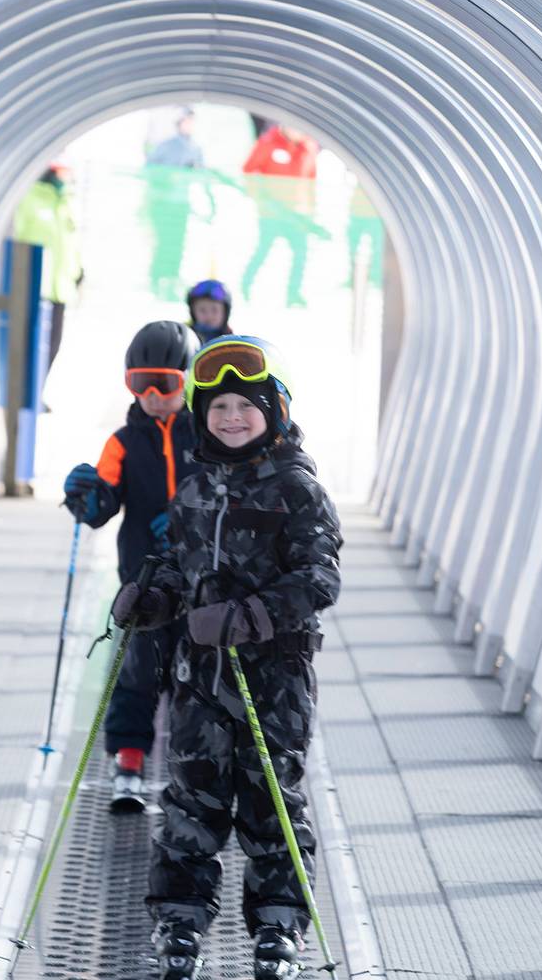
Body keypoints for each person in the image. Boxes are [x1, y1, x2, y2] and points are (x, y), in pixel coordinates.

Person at [110, 336, 342, 980]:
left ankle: (276, 926)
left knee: (272, 803)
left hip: (275, 682)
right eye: (218, 407)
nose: (232, 417)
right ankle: (180, 921)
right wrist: (150, 597)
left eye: (247, 405)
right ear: (200, 416)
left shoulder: (298, 490)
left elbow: (319, 579)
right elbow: (176, 569)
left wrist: (249, 618)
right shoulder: (196, 487)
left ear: (275, 411)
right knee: (191, 801)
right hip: (200, 682)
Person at [60, 320, 201, 812]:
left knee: (200, 681)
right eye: (141, 384)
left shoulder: (208, 437)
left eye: (166, 384)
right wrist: (85, 497)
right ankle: (130, 761)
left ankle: (195, 772)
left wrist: (188, 523)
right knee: (137, 673)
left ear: (190, 381)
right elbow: (102, 509)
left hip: (203, 583)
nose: (154, 396)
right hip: (143, 584)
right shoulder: (122, 442)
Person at [239, 123, 328, 308]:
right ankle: (246, 285)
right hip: (271, 213)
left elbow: (311, 179)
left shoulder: (309, 147)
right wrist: (260, 197)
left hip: (296, 214)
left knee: (300, 253)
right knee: (263, 250)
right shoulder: (268, 143)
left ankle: (293, 294)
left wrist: (310, 209)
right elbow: (249, 170)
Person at [11, 164, 83, 379]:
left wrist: (77, 272)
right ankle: (21, 391)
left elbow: (71, 243)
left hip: (60, 287)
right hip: (34, 286)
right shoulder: (30, 198)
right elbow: (18, 239)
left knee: (52, 344)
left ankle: (37, 389)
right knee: (29, 343)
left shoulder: (66, 201)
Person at [144, 107, 217, 301]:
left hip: (181, 204)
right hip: (162, 203)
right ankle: (157, 279)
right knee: (164, 243)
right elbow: (150, 169)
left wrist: (211, 202)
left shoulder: (195, 148)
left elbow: (202, 174)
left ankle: (170, 280)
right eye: (186, 121)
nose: (189, 125)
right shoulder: (166, 146)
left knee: (177, 244)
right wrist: (168, 179)